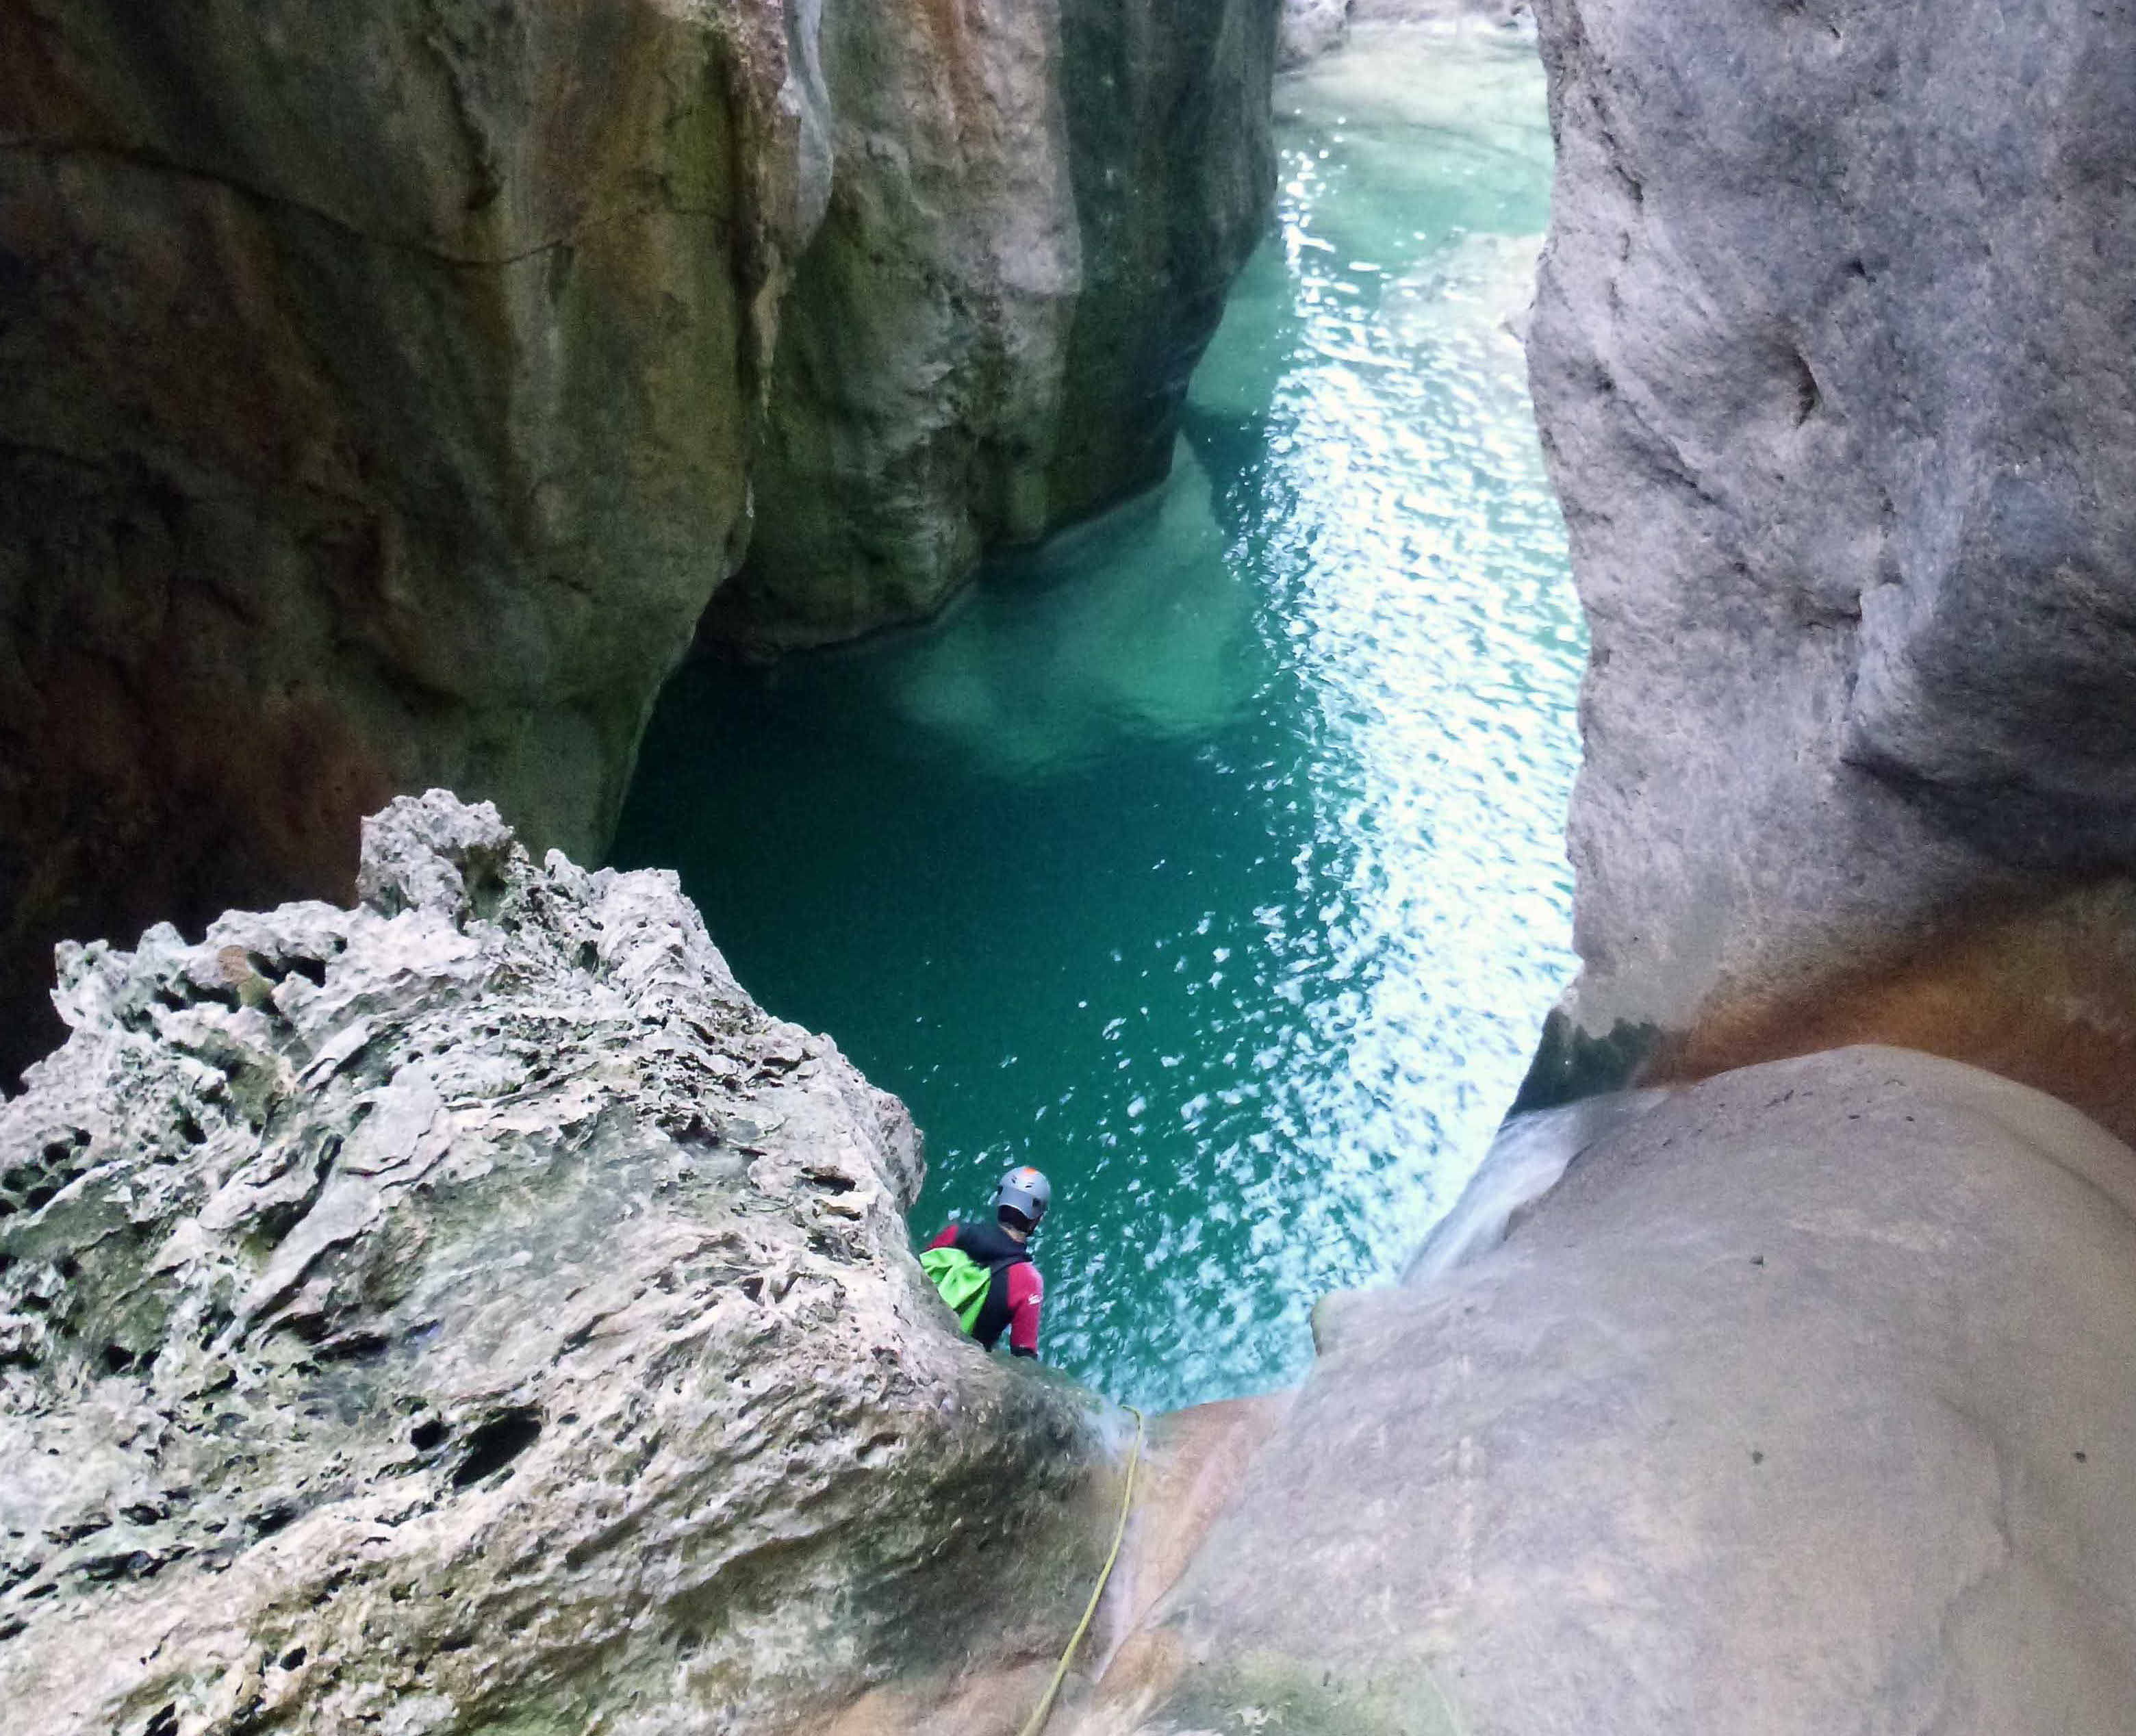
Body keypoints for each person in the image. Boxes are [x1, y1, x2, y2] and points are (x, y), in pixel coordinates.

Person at [922, 1166, 1050, 1360]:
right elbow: (1023, 1356)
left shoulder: (955, 1232)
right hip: (958, 1360)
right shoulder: (1029, 1281)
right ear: (1037, 1220)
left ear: (1000, 1203)